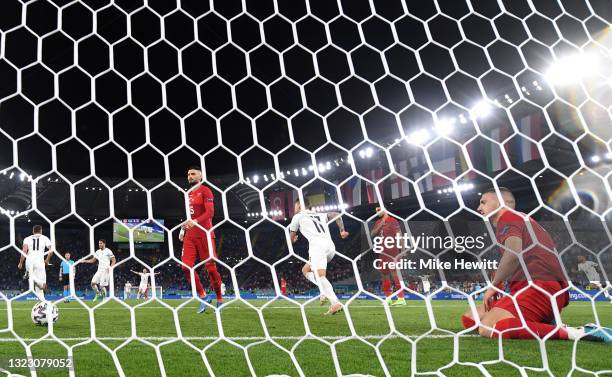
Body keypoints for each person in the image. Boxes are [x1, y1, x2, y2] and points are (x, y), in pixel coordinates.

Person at [462, 187, 611, 343]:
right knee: (470, 319)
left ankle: (577, 332)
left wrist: (493, 285)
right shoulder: (522, 219)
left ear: (501, 202)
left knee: (488, 327)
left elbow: (513, 253)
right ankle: (542, 323)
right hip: (534, 287)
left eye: (483, 202)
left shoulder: (508, 217)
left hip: (539, 287)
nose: (479, 208)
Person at [289, 198, 349, 315]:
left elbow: (291, 238)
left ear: (300, 206)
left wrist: (293, 239)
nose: (294, 208)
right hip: (330, 246)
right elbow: (336, 214)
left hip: (317, 246)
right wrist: (342, 230)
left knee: (321, 276)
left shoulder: (298, 216)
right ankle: (323, 291)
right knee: (305, 270)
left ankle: (335, 303)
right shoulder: (320, 214)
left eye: (295, 206)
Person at [180, 166, 223, 313]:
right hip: (190, 235)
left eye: (193, 174)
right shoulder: (187, 194)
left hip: (205, 233)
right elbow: (188, 216)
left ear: (200, 176)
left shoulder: (206, 191)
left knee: (211, 269)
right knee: (186, 267)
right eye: (188, 174)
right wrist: (182, 229)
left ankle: (219, 299)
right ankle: (203, 296)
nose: (190, 176)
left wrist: (196, 222)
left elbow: (210, 212)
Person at [371, 207, 406, 305]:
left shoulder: (392, 220)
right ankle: (388, 298)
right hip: (382, 251)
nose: (377, 212)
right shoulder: (378, 222)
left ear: (385, 210)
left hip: (392, 251)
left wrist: (402, 250)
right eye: (376, 211)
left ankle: (401, 299)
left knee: (395, 273)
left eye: (378, 210)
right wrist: (379, 226)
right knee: (384, 274)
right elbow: (372, 234)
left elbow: (399, 235)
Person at [18, 225, 54, 301]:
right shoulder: (45, 238)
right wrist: (47, 260)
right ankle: (34, 279)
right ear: (41, 231)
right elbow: (51, 250)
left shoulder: (27, 239)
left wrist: (20, 262)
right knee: (41, 285)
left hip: (29, 262)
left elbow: (24, 251)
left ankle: (43, 303)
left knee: (38, 287)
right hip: (39, 263)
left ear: (33, 231)